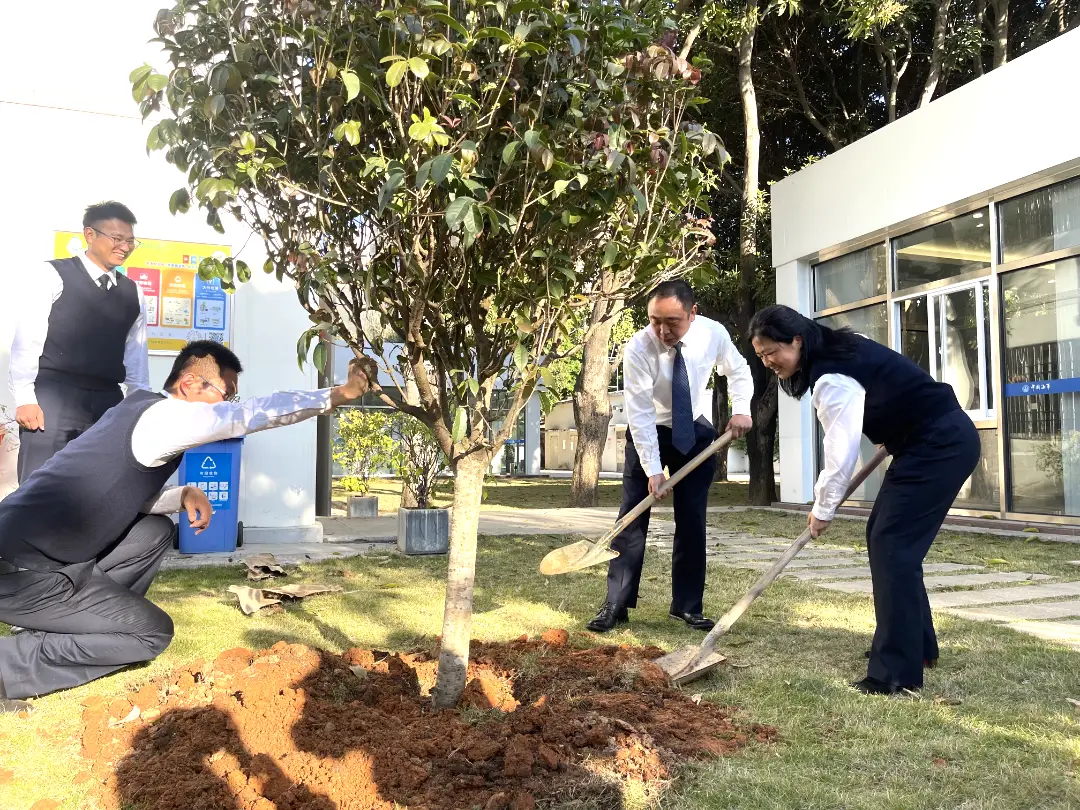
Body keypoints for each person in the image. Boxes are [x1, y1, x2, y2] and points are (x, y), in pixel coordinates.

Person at [0, 341, 377, 711]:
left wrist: (180, 494)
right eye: (225, 395)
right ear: (190, 384)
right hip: (24, 572)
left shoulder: (139, 412)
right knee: (150, 633)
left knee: (155, 531)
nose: (227, 408)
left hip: (32, 552)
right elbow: (254, 414)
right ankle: (8, 668)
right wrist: (340, 393)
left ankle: (70, 623)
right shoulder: (170, 417)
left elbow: (117, 492)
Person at [748, 304, 980, 695]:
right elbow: (891, 385)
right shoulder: (844, 347)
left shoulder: (832, 378)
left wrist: (823, 509)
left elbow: (839, 455)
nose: (769, 361)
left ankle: (895, 672)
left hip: (940, 445)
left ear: (798, 340)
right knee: (887, 541)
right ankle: (917, 646)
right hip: (927, 441)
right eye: (761, 356)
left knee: (893, 546)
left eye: (773, 351)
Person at [586, 280, 754, 634]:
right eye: (654, 320)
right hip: (650, 431)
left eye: (672, 321)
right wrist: (652, 469)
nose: (662, 330)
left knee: (692, 520)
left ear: (693, 314)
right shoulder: (637, 349)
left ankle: (687, 606)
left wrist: (741, 410)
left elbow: (738, 370)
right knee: (632, 519)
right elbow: (641, 413)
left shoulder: (713, 334)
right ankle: (616, 603)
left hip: (693, 431)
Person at [9, 202, 150, 482]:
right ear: (89, 234)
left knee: (97, 485)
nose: (124, 246)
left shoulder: (134, 292)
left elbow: (136, 356)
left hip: (107, 400)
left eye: (130, 240)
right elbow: (27, 340)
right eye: (116, 238)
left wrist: (138, 405)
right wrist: (24, 398)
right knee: (39, 486)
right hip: (53, 397)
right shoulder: (53, 274)